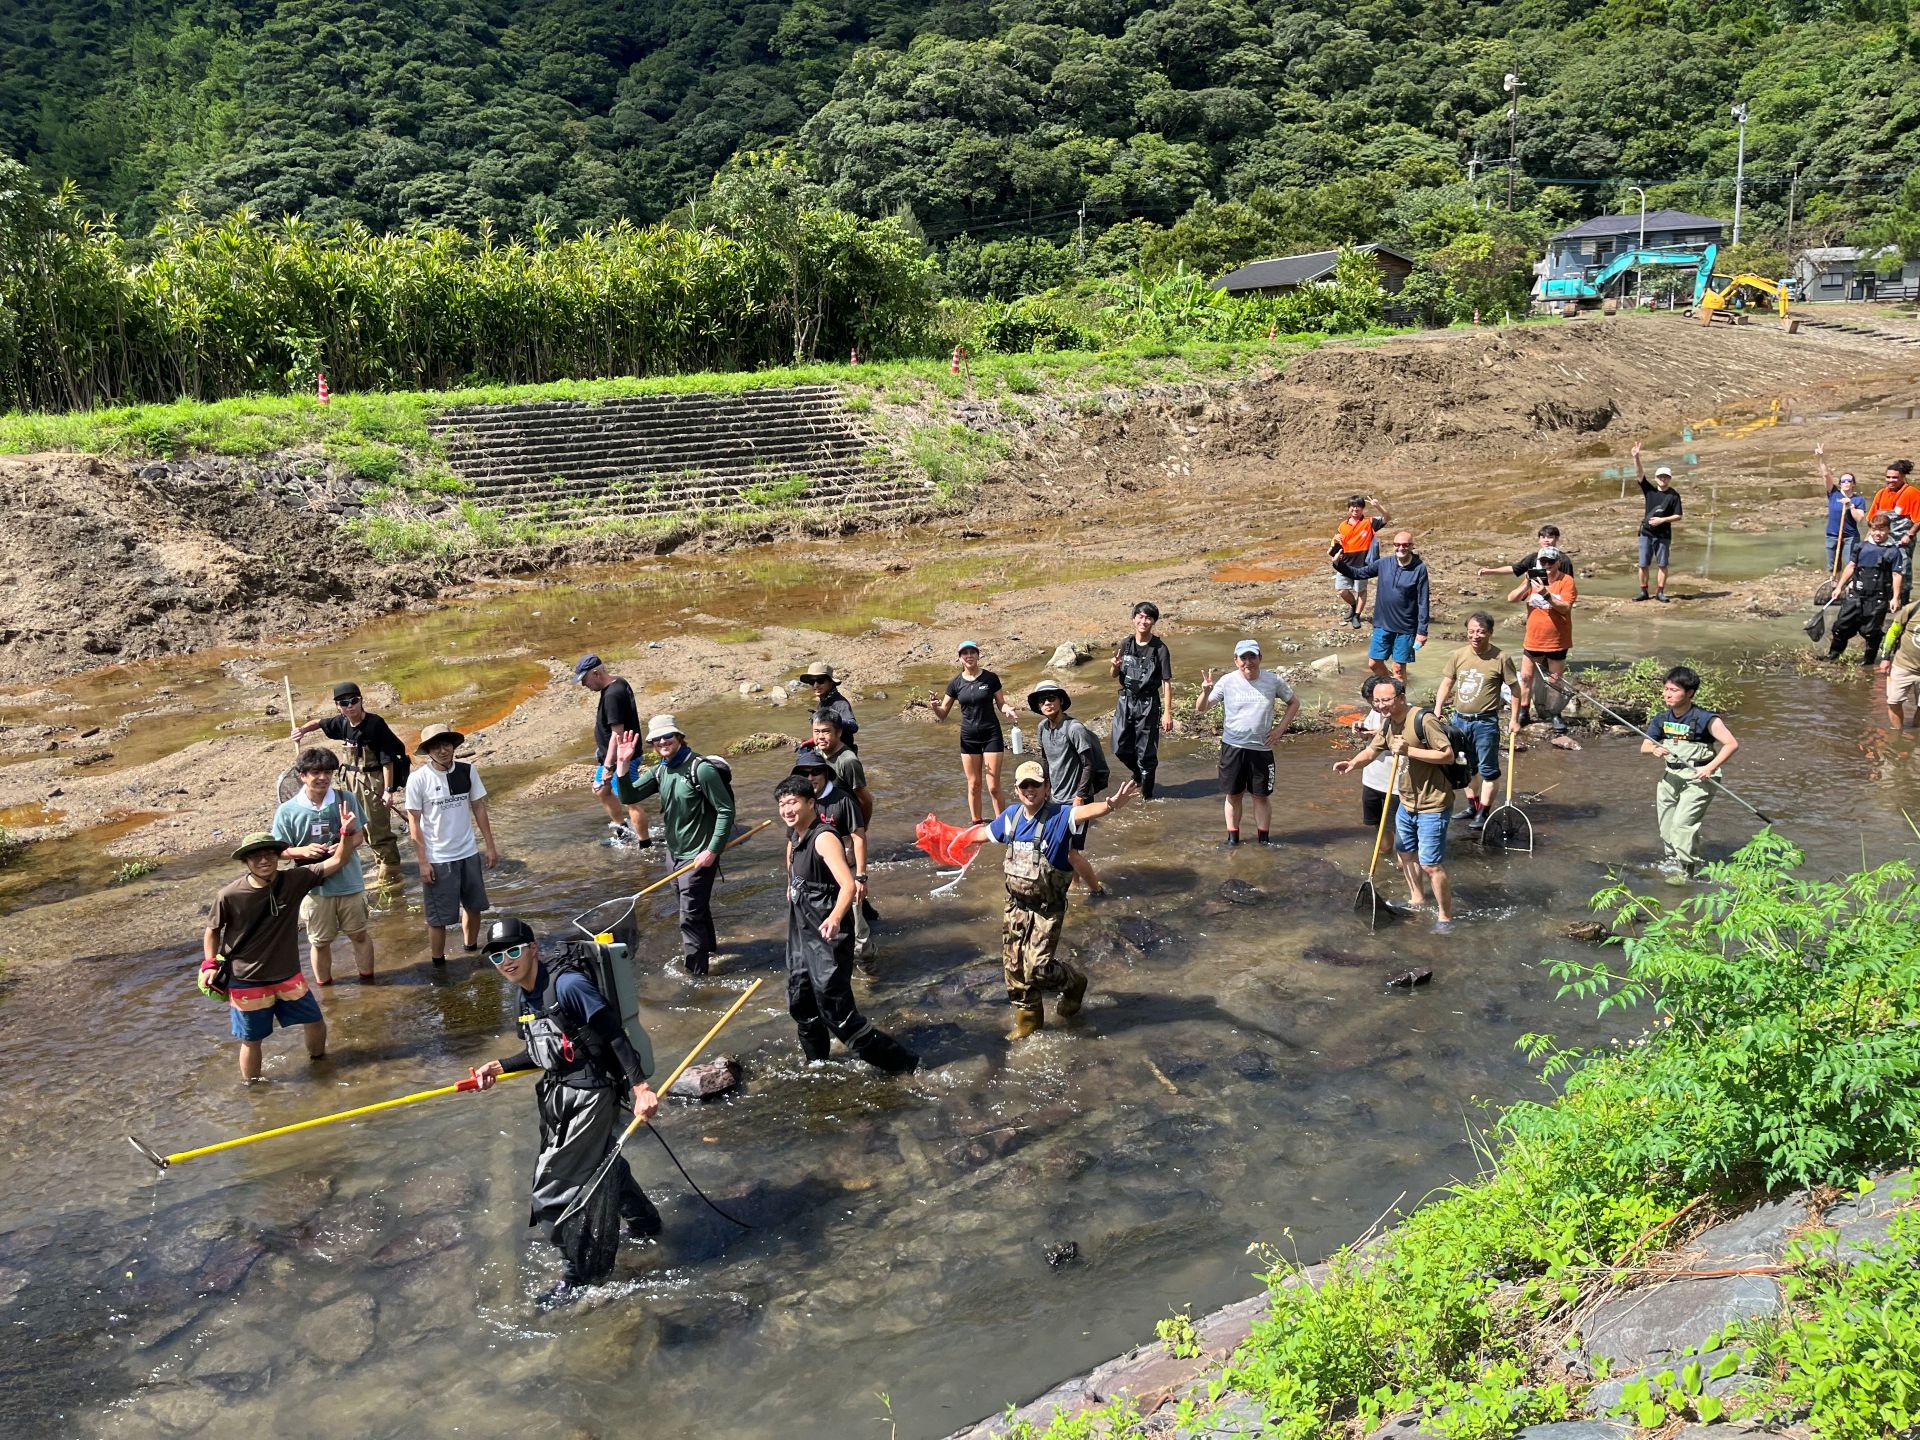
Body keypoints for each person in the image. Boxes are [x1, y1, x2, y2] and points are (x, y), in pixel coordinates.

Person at [470, 917, 662, 1297]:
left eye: (512, 951)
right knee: (605, 1163)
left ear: (533, 949)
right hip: (559, 1094)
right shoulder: (524, 994)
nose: (505, 961)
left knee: (550, 1190)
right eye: (497, 957)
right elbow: (545, 1048)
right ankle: (647, 1224)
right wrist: (501, 1066)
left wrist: (641, 1088)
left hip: (592, 1094)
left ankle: (577, 1276)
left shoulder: (569, 985)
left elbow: (614, 1035)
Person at [973, 762, 1139, 1040]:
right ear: (1016, 789)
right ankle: (1028, 1023)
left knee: (1037, 968)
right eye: (1024, 785)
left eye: (1035, 784)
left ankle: (1074, 983)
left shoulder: (1060, 817)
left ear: (1046, 788)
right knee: (1013, 967)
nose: (1030, 790)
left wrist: (1110, 805)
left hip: (1046, 911)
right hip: (1015, 907)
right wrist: (945, 838)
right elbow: (980, 834)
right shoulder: (1011, 817)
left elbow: (1084, 812)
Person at [773, 777, 919, 1071]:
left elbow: (848, 886)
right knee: (801, 1001)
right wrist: (791, 887)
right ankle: (816, 1065)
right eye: (782, 803)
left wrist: (836, 917)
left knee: (836, 1011)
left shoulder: (824, 837)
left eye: (793, 802)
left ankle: (904, 1065)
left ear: (811, 803)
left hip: (828, 931)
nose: (787, 809)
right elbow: (792, 867)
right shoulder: (794, 835)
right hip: (802, 930)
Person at [202, 825, 363, 1082]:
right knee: (252, 1040)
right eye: (255, 856)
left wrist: (344, 834)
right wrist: (209, 965)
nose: (264, 860)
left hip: (287, 975)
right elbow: (212, 931)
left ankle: (320, 1067)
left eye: (269, 854)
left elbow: (338, 860)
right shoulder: (229, 895)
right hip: (247, 980)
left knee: (315, 1021)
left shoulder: (295, 880)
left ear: (279, 856)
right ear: (246, 861)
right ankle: (253, 1089)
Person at [1333, 677, 1459, 928]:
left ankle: (1445, 917)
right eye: (1377, 701)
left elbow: (1447, 755)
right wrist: (1352, 763)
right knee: (1405, 854)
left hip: (1433, 803)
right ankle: (1417, 898)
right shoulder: (1389, 723)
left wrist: (1409, 751)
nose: (1381, 705)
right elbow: (1372, 750)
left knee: (1430, 864)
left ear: (1401, 697)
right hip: (1406, 801)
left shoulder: (1424, 720)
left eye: (1386, 700)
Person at [614, 715, 734, 977]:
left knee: (688, 916)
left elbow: (726, 810)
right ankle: (710, 952)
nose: (662, 742)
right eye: (656, 739)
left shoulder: (700, 769)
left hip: (700, 855)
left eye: (667, 736)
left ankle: (696, 976)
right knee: (694, 908)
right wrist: (622, 765)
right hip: (675, 853)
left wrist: (712, 850)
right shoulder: (661, 769)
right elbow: (629, 796)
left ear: (680, 737)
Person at [271, 747, 376, 984]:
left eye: (328, 772)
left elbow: (360, 836)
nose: (323, 778)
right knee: (319, 942)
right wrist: (302, 850)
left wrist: (344, 839)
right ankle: (326, 991)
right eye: (316, 772)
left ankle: (369, 984)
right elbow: (277, 852)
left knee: (359, 934)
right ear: (302, 776)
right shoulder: (287, 811)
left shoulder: (345, 799)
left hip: (349, 882)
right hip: (313, 889)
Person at [291, 681, 408, 888]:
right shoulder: (341, 722)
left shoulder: (375, 724)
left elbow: (387, 760)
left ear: (361, 701)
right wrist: (301, 731)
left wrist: (388, 791)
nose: (350, 706)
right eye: (344, 703)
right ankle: (379, 862)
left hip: (374, 780)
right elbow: (319, 722)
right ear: (338, 706)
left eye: (353, 701)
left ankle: (390, 872)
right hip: (351, 781)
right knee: (358, 825)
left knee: (376, 826)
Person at [403, 723, 498, 965]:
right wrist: (423, 862)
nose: (443, 750)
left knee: (474, 906)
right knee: (438, 917)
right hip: (438, 857)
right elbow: (414, 821)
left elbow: (478, 807)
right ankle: (438, 963)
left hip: (468, 852)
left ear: (453, 745)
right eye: (436, 746)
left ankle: (471, 949)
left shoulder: (467, 771)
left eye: (446, 744)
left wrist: (490, 846)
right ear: (428, 751)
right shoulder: (418, 779)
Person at [1640, 666, 1740, 882]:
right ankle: (1671, 861)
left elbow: (1731, 744)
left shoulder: (1706, 719)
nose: (1667, 694)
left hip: (1700, 778)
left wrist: (1710, 767)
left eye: (1674, 690)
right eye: (1666, 689)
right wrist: (1655, 749)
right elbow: (1645, 746)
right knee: (1667, 827)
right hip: (1670, 778)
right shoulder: (1661, 719)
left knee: (1682, 826)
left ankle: (1687, 872)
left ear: (1690, 693)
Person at [1195, 640, 1299, 847]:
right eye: (1243, 658)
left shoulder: (1273, 680)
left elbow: (1294, 703)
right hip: (1233, 747)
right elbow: (1202, 708)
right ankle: (1232, 839)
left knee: (1260, 796)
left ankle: (1264, 840)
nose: (1248, 662)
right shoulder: (1227, 681)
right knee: (1233, 795)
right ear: (1236, 661)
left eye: (1252, 656)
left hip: (1261, 749)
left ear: (1260, 658)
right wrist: (1206, 691)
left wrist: (1279, 730)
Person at [1432, 612, 1521, 830]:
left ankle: (1484, 812)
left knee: (1488, 769)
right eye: (1471, 631)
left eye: (1481, 632)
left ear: (1490, 633)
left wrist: (1515, 719)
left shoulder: (1501, 658)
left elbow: (1516, 689)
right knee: (1465, 767)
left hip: (1485, 723)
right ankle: (1472, 805)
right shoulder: (1458, 655)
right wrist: (1437, 708)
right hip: (1459, 721)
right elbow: (1446, 683)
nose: (1475, 636)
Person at [1027, 680, 1111, 895]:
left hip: (1077, 799)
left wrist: (1080, 796)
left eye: (1051, 698)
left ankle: (1097, 890)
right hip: (1055, 798)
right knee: (1063, 848)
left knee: (1070, 853)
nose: (1047, 702)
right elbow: (1045, 760)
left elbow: (1088, 763)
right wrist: (1044, 790)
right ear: (1038, 706)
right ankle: (1074, 885)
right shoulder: (1042, 728)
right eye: (1042, 700)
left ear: (1061, 701)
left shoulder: (1074, 728)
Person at [806, 708, 876, 961]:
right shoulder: (814, 757)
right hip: (823, 837)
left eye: (826, 731)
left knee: (853, 896)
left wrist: (860, 829)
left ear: (838, 732)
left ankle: (865, 957)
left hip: (846, 833)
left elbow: (865, 800)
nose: (821, 737)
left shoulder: (847, 761)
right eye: (816, 732)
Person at [932, 641, 1018, 821]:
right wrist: (934, 706)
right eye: (965, 653)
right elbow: (942, 715)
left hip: (991, 734)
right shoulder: (955, 683)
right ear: (960, 658)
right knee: (974, 785)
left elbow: (1001, 703)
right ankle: (976, 823)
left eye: (972, 652)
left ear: (978, 655)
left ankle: (1001, 824)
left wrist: (1007, 709)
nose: (969, 656)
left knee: (993, 786)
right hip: (969, 737)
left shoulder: (991, 678)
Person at [575, 654, 652, 848]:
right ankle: (622, 831)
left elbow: (617, 735)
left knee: (630, 800)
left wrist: (609, 766)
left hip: (623, 758)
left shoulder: (612, 695)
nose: (584, 685)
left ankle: (645, 844)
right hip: (611, 758)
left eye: (584, 680)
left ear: (596, 673)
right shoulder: (618, 683)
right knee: (602, 790)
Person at [1333, 530, 1430, 682]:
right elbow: (1358, 573)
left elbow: (1423, 601)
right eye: (1397, 545)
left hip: (1406, 627)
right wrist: (1338, 564)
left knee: (1398, 668)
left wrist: (1422, 631)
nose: (1401, 548)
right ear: (1393, 546)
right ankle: (1393, 688)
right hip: (1382, 624)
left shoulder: (1419, 568)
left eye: (1405, 545)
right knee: (1374, 663)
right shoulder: (1384, 563)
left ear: (1411, 546)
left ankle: (1399, 700)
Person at [1109, 602, 1174, 798]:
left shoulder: (1160, 649)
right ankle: (1138, 773)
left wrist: (1167, 713)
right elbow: (1113, 674)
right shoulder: (1125, 644)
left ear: (1153, 621)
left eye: (1148, 618)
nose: (1143, 621)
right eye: (1140, 616)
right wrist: (1114, 666)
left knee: (1146, 753)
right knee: (1118, 746)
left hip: (1148, 703)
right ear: (1134, 618)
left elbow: (1167, 682)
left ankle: (1147, 798)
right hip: (1125, 700)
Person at [1508, 546, 1576, 734]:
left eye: (1550, 562)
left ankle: (1554, 713)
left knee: (1555, 679)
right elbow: (1511, 598)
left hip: (1557, 639)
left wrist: (1546, 593)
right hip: (1533, 638)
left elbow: (1564, 607)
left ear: (1558, 563)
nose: (1546, 566)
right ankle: (1524, 710)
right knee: (1526, 677)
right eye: (1542, 562)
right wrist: (1527, 585)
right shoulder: (1532, 579)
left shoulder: (1566, 581)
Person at [1826, 510, 1903, 665]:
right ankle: (1832, 657)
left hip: (1878, 598)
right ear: (1870, 530)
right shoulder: (1861, 547)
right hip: (1856, 595)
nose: (1878, 533)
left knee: (1870, 632)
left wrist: (1895, 597)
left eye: (1881, 530)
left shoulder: (1893, 551)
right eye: (1874, 530)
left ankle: (1868, 662)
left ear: (1888, 530)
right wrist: (1839, 587)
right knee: (1840, 627)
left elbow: (1897, 575)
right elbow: (1851, 566)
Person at [1327, 494, 1392, 629]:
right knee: (1341, 590)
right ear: (1349, 509)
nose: (1355, 509)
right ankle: (1353, 606)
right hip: (1345, 563)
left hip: (1363, 564)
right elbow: (1336, 543)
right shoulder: (1342, 525)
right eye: (1353, 506)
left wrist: (1377, 506)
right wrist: (1334, 539)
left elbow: (1387, 518)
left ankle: (1357, 616)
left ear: (1362, 509)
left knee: (1361, 591)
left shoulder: (1369, 522)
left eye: (1359, 507)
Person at [1630, 442, 1683, 602]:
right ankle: (1643, 591)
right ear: (1656, 478)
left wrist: (1662, 520)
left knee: (1662, 565)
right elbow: (1639, 475)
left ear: (1670, 479)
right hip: (1646, 533)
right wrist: (1636, 457)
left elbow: (1678, 515)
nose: (1663, 479)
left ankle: (1660, 592)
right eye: (1660, 477)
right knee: (1643, 564)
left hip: (1664, 535)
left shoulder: (1674, 496)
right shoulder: (1650, 490)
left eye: (1665, 477)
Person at [1351, 677, 1398, 832]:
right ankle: (1385, 855)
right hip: (1372, 779)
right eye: (1373, 702)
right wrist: (1362, 731)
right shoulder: (1374, 711)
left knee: (1398, 829)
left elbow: (1399, 736)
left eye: (1379, 700)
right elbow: (1367, 739)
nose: (1378, 706)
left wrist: (1379, 733)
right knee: (1379, 828)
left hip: (1394, 783)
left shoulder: (1403, 711)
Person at [1818, 442, 1869, 573]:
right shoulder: (1833, 493)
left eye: (1849, 481)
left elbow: (1859, 518)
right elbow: (1826, 475)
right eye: (1843, 481)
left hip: (1850, 537)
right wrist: (1821, 458)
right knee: (1832, 566)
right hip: (1832, 535)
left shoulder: (1858, 499)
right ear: (1840, 484)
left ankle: (1848, 587)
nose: (1846, 483)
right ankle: (1834, 585)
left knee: (1850, 565)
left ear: (1853, 484)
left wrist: (1850, 505)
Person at [1876, 599, 1920, 728]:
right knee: (1894, 702)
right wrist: (1885, 657)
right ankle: (1897, 732)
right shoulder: (1912, 609)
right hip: (1903, 666)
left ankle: (1915, 732)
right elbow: (1893, 632)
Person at [1477, 524, 1571, 580]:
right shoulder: (1533, 557)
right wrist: (1490, 571)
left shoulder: (1563, 559)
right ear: (1539, 540)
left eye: (1550, 537)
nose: (1546, 540)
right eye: (1543, 537)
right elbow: (1514, 569)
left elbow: (1568, 581)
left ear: (1557, 538)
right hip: (1536, 599)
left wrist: (1532, 574)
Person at [797, 662, 858, 747]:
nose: (816, 685)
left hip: (842, 752)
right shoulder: (822, 703)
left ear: (831, 682)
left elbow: (853, 726)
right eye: (812, 682)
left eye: (820, 680)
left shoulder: (840, 703)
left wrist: (833, 720)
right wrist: (812, 741)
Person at [1869, 460, 1920, 558]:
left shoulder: (1913, 493)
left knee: (1901, 570)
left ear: (1903, 477)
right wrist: (1868, 539)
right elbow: (1872, 520)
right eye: (1888, 477)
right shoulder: (1881, 493)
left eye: (1895, 477)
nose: (1890, 480)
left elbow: (1918, 521)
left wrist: (1909, 535)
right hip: (1882, 541)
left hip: (1902, 543)